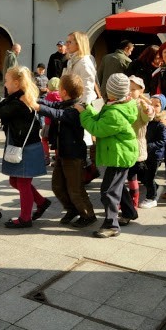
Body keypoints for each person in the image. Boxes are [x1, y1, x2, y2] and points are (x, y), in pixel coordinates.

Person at [0, 66, 50, 228]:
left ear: (17, 83)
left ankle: (25, 218)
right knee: (14, 181)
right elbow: (3, 105)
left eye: (7, 81)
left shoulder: (21, 101)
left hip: (27, 148)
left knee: (23, 183)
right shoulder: (17, 98)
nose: (4, 84)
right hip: (22, 145)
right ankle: (41, 202)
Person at [77, 73, 138, 238]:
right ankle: (129, 212)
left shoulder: (115, 113)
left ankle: (112, 225)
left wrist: (83, 113)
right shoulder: (118, 104)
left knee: (108, 191)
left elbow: (97, 128)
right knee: (117, 186)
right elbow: (99, 118)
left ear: (111, 92)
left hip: (119, 155)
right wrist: (88, 108)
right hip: (121, 153)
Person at [35, 74, 97, 227]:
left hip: (74, 155)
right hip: (63, 153)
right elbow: (52, 105)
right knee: (57, 186)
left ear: (63, 91)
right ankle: (72, 209)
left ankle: (88, 215)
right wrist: (35, 100)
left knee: (75, 188)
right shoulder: (65, 103)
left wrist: (37, 107)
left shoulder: (77, 108)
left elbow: (57, 114)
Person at [122, 76, 154, 223]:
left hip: (136, 146)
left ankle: (133, 203)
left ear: (141, 90)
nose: (130, 92)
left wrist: (147, 111)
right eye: (128, 89)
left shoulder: (142, 104)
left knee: (132, 177)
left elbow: (148, 116)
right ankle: (123, 203)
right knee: (123, 176)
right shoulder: (123, 102)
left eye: (133, 89)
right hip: (123, 146)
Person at [139, 95, 166, 209]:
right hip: (145, 153)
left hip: (155, 155)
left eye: (157, 105)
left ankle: (151, 198)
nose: (153, 107)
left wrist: (149, 146)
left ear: (162, 107)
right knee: (143, 176)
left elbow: (163, 140)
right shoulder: (146, 118)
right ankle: (156, 187)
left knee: (149, 176)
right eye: (151, 104)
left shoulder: (160, 123)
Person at [62, 31, 98, 104]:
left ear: (79, 44)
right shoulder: (71, 61)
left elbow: (87, 89)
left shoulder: (85, 63)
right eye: (66, 42)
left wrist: (82, 108)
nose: (66, 45)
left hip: (81, 105)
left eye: (69, 42)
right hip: (73, 103)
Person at [41, 77, 61, 164]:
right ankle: (57, 158)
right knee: (56, 142)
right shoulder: (61, 95)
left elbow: (45, 107)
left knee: (44, 139)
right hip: (58, 122)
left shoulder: (49, 95)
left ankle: (46, 156)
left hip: (48, 122)